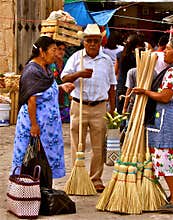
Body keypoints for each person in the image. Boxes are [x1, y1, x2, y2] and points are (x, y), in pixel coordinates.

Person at [133, 36, 173, 213]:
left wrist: (145, 92)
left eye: (168, 49)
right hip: (171, 116)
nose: (164, 52)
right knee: (165, 156)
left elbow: (165, 96)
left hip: (168, 117)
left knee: (165, 155)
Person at [61, 24, 117, 192]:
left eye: (95, 41)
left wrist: (112, 110)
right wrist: (79, 74)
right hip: (79, 105)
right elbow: (64, 77)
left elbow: (112, 86)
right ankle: (77, 176)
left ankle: (95, 178)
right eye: (89, 41)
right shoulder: (77, 58)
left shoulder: (106, 60)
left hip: (99, 107)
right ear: (84, 42)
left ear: (100, 42)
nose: (92, 44)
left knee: (98, 145)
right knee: (77, 143)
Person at [11, 36, 74, 179]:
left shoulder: (45, 69)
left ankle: (42, 190)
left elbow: (44, 92)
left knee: (43, 162)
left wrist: (61, 88)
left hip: (48, 129)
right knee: (30, 159)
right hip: (34, 125)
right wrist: (34, 125)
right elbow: (31, 99)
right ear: (42, 51)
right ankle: (26, 191)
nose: (56, 53)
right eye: (53, 50)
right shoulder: (32, 70)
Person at [115, 33, 145, 115]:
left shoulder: (120, 55)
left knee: (120, 112)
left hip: (121, 84)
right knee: (130, 112)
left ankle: (120, 126)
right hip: (134, 86)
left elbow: (115, 71)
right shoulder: (138, 57)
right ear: (137, 45)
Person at [49, 41, 71, 123]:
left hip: (65, 96)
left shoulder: (67, 62)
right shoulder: (50, 63)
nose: (61, 51)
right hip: (53, 93)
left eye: (63, 49)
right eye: (59, 49)